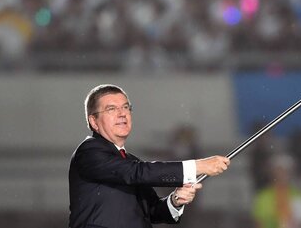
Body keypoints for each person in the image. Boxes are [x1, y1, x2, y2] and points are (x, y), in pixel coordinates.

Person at [68, 84, 230, 228]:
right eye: (111, 109)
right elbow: (136, 172)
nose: (122, 113)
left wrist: (175, 200)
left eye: (125, 107)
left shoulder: (130, 161)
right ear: (94, 121)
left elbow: (152, 211)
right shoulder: (89, 151)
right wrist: (198, 166)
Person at [252, 154, 301, 228]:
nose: (282, 175)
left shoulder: (298, 195)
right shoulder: (263, 195)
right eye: (279, 171)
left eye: (285, 171)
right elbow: (258, 221)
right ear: (273, 173)